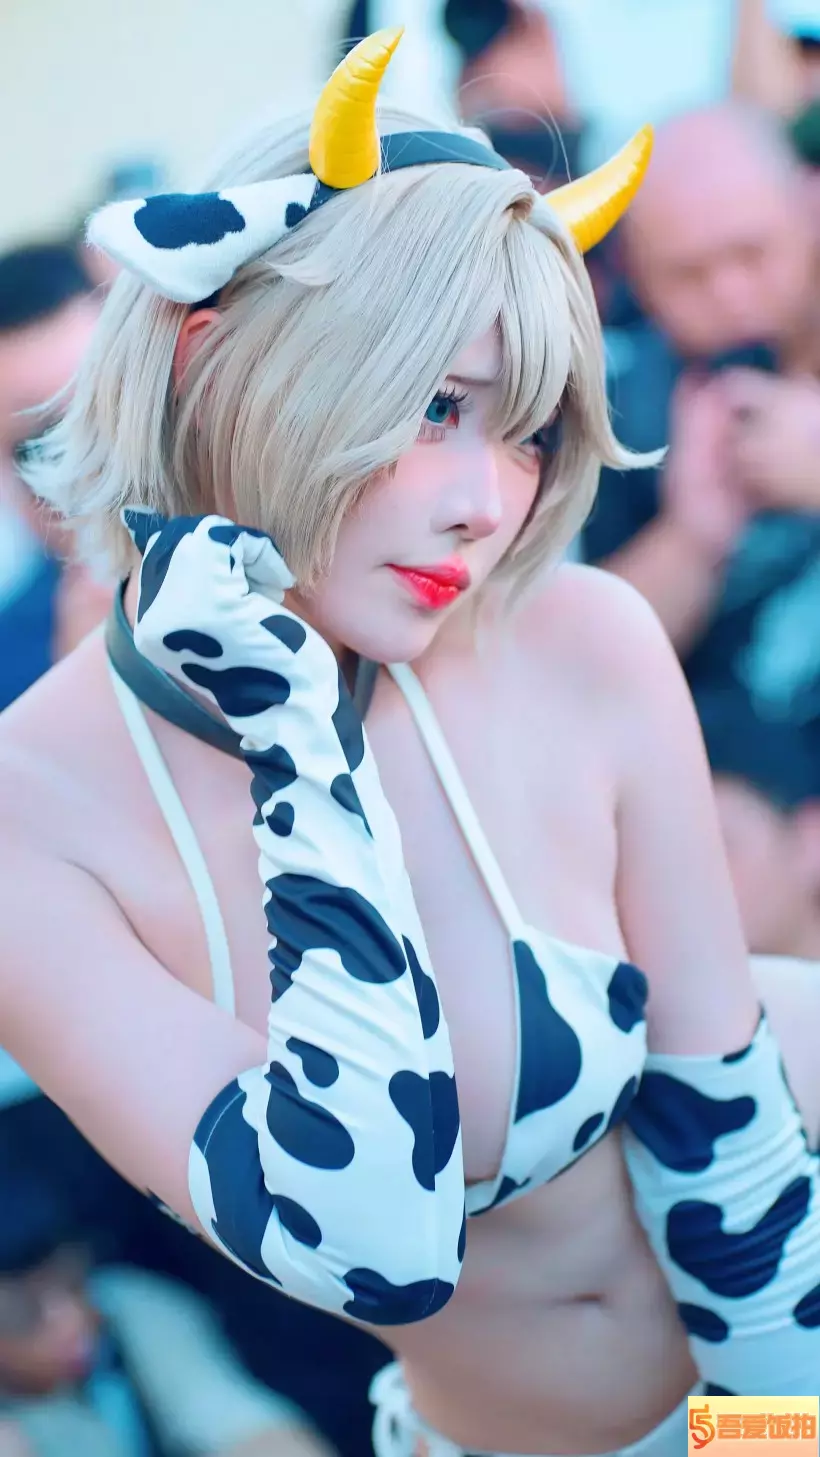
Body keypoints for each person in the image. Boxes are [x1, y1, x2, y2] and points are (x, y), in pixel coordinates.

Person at [1, 26, 819, 1457]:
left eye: (527, 431)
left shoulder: (579, 636)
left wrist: (769, 1445)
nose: (486, 501)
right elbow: (373, 1242)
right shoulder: (32, 816)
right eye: (435, 404)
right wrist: (291, 732)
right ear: (215, 361)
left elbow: (731, 1150)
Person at [583, 102, 820, 798]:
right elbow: (570, 677)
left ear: (808, 211)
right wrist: (692, 538)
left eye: (752, 253)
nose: (731, 294)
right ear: (634, 270)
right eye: (688, 273)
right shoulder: (604, 399)